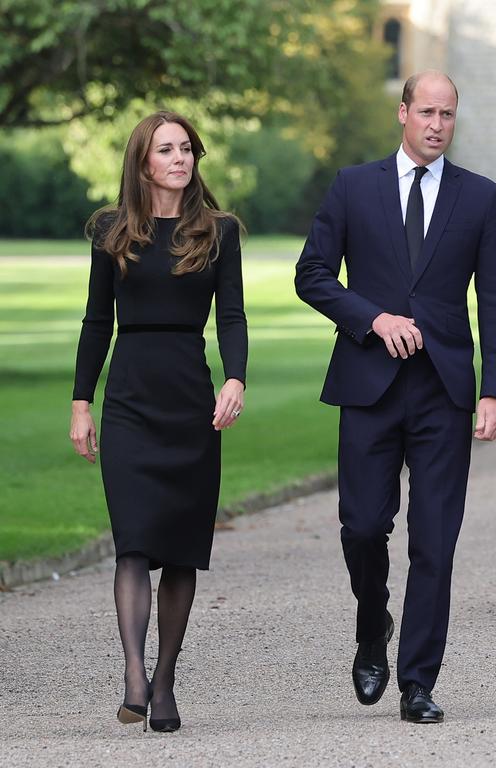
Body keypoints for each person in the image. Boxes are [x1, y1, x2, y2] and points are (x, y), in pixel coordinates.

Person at [294, 70, 496, 724]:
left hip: (443, 390)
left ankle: (418, 681)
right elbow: (311, 275)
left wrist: (495, 391)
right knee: (363, 527)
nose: (437, 125)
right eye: (426, 112)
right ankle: (372, 622)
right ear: (403, 112)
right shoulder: (354, 187)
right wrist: (372, 319)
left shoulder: (478, 197)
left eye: (447, 114)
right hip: (369, 383)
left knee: (435, 542)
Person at [69, 111, 247, 733]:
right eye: (166, 149)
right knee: (134, 543)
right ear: (142, 161)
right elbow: (96, 321)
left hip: (189, 402)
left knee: (180, 551)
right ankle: (134, 677)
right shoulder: (111, 231)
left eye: (187, 149)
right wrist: (81, 403)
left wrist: (234, 377)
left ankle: (165, 680)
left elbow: (233, 317)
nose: (180, 158)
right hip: (129, 400)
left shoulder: (219, 232)